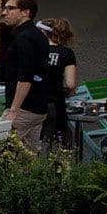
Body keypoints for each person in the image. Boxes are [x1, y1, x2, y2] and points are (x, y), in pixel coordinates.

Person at [0, 0, 49, 150]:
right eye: (5, 8)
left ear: (25, 12)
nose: (4, 12)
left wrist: (13, 111)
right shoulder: (38, 35)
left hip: (24, 108)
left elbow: (25, 77)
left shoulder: (25, 37)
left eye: (10, 8)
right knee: (28, 157)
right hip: (37, 107)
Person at [38, 19, 79, 149]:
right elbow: (70, 83)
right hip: (54, 102)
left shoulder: (36, 51)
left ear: (44, 32)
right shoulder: (67, 53)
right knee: (52, 141)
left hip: (34, 102)